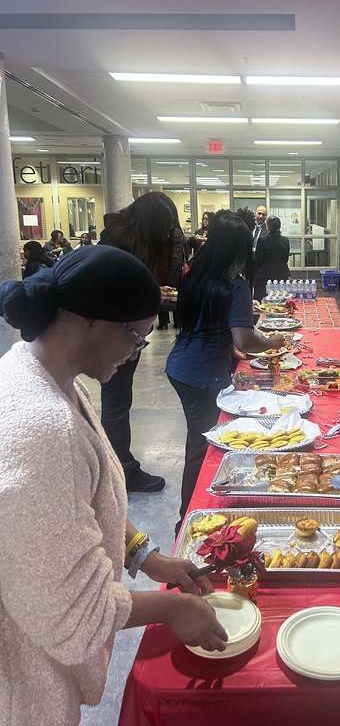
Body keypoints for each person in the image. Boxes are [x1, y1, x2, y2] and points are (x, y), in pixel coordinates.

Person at [0, 246, 227, 726]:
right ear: (88, 321)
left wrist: (147, 557)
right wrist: (171, 607)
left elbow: (81, 507)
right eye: (136, 337)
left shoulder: (59, 382)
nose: (134, 354)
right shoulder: (43, 426)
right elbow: (72, 611)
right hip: (22, 682)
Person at [166, 212, 284, 531]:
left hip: (182, 364)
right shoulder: (237, 283)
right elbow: (245, 339)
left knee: (201, 442)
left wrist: (229, 345)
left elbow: (206, 325)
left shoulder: (195, 275)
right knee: (205, 445)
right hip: (202, 373)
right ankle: (190, 519)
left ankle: (193, 512)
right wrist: (273, 341)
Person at [99, 191, 179, 493]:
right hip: (110, 336)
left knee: (118, 401)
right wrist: (148, 294)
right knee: (115, 403)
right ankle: (121, 472)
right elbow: (107, 293)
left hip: (125, 334)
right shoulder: (112, 245)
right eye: (166, 227)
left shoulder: (127, 241)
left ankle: (116, 468)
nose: (167, 235)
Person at [253, 216, 290, 301]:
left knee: (261, 304)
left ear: (267, 226)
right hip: (282, 276)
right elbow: (286, 259)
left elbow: (257, 260)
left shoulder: (262, 240)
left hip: (264, 278)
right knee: (280, 302)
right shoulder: (285, 240)